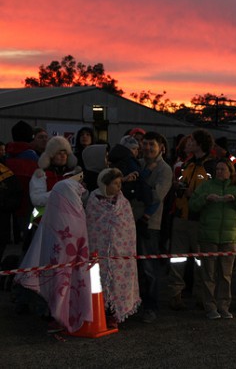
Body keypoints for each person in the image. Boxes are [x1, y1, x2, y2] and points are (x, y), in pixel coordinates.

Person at [15, 177, 92, 333]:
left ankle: (56, 316)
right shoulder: (76, 212)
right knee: (63, 286)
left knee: (58, 285)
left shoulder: (59, 211)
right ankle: (59, 315)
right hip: (67, 261)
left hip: (60, 260)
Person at [189, 159, 236, 320]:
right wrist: (205, 198)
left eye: (223, 169)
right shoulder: (206, 186)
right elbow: (192, 205)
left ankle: (224, 306)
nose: (219, 172)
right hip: (208, 236)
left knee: (226, 274)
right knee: (208, 274)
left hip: (230, 237)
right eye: (217, 169)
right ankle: (210, 306)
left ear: (230, 171)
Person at [167, 130, 216, 311]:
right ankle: (175, 294)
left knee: (200, 260)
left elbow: (213, 191)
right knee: (176, 259)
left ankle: (201, 295)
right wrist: (177, 186)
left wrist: (193, 195)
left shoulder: (211, 166)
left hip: (199, 220)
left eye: (193, 140)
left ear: (201, 144)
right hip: (181, 217)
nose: (189, 143)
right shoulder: (186, 164)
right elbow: (180, 181)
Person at [86, 168, 141, 327]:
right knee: (99, 280)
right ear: (105, 184)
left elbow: (128, 228)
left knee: (117, 281)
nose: (118, 187)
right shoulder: (93, 201)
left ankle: (114, 313)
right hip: (99, 250)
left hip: (120, 251)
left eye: (119, 183)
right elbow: (91, 225)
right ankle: (98, 311)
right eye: (115, 183)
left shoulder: (123, 203)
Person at [131, 131, 173, 323]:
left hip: (150, 223)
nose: (147, 148)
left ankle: (151, 306)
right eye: (145, 144)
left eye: (151, 145)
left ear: (160, 147)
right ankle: (134, 304)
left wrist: (139, 186)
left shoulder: (164, 169)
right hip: (130, 221)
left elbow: (157, 195)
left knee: (149, 267)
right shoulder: (138, 164)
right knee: (133, 266)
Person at [28, 136, 79, 251]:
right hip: (46, 225)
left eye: (65, 153)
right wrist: (60, 192)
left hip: (70, 225)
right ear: (51, 156)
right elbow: (36, 199)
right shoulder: (41, 174)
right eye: (58, 153)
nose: (62, 156)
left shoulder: (73, 174)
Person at [5, 120, 38, 245]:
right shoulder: (32, 156)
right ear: (30, 137)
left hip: (7, 201)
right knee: (28, 237)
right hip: (27, 201)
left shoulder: (7, 155)